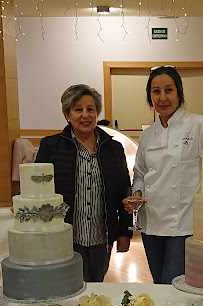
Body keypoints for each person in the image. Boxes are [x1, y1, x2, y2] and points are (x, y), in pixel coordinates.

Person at [126, 66, 203, 284]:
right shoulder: (148, 135)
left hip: (184, 224)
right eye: (156, 91)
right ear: (150, 97)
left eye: (168, 90)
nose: (162, 97)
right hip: (151, 224)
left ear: (179, 93)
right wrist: (138, 193)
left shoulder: (199, 125)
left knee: (173, 285)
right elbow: (140, 174)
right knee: (159, 284)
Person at [35, 84, 132, 282]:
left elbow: (124, 191)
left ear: (97, 113)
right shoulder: (50, 146)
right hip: (64, 237)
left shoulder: (114, 148)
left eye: (91, 109)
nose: (85, 115)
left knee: (96, 286)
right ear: (67, 115)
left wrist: (125, 231)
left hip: (102, 238)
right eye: (78, 109)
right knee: (67, 286)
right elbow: (38, 191)